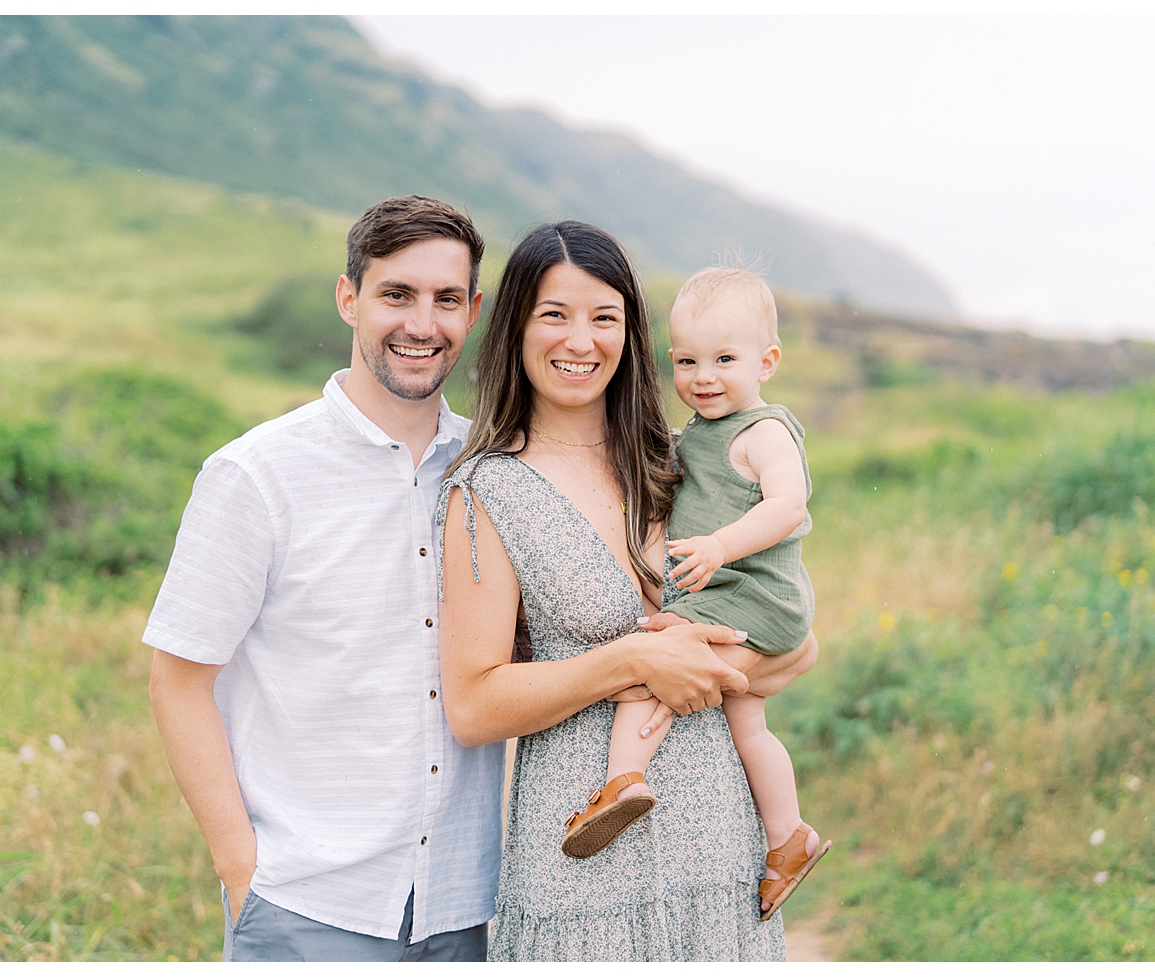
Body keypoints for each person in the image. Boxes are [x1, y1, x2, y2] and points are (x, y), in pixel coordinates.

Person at [144, 197, 801, 962]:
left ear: (475, 311)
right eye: (397, 294)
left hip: (496, 888)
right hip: (320, 893)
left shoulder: (668, 460)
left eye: (446, 299)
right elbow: (179, 678)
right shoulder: (290, 476)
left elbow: (779, 621)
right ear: (348, 297)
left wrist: (775, 652)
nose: (422, 323)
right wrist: (241, 871)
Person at [437, 221, 819, 961]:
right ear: (514, 324)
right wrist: (638, 663)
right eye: (555, 314)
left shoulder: (676, 458)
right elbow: (474, 706)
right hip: (583, 859)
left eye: (604, 317)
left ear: (630, 334)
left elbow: (791, 644)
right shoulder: (486, 491)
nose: (581, 339)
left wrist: (733, 658)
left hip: (718, 844)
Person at [575, 267, 830, 924]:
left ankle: (623, 779)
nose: (703, 375)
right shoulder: (697, 434)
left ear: (767, 361)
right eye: (687, 360)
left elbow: (788, 505)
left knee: (654, 654)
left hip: (756, 593)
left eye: (724, 358)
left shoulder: (764, 430)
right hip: (732, 596)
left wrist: (721, 545)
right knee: (751, 725)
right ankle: (788, 836)